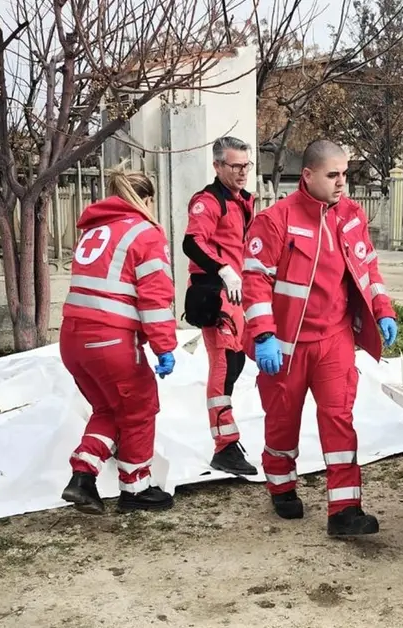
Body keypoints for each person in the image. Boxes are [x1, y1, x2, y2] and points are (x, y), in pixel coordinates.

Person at [241, 139, 399, 537]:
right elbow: (255, 280)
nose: (342, 183)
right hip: (286, 346)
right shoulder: (275, 220)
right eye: (333, 175)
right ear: (308, 176)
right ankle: (281, 485)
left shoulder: (350, 215)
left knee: (339, 419)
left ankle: (345, 509)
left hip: (335, 339)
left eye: (345, 174)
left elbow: (368, 268)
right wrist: (263, 335)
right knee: (282, 420)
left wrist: (383, 310)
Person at [58, 169, 179, 515]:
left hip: (72, 339)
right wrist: (164, 347)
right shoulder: (146, 233)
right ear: (148, 200)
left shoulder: (93, 231)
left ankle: (82, 476)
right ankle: (136, 487)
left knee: (109, 409)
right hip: (110, 341)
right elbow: (155, 299)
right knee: (140, 407)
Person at [181, 136, 259, 477]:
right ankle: (225, 445)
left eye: (246, 165)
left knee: (236, 362)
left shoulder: (242, 201)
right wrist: (222, 269)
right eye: (235, 166)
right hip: (216, 293)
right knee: (225, 365)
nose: (243, 172)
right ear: (217, 166)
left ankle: (225, 439)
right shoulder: (209, 202)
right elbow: (191, 242)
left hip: (236, 295)